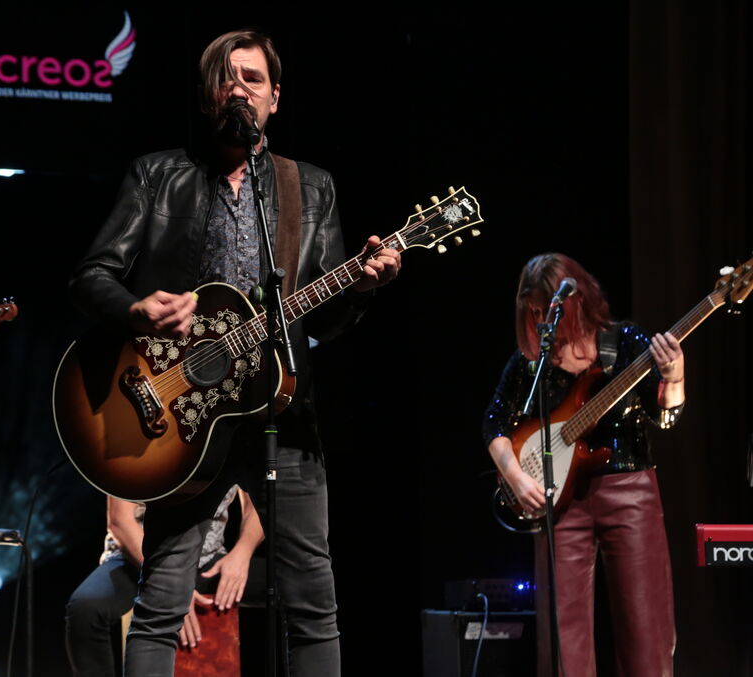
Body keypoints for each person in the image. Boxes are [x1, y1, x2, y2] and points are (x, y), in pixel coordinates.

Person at [69, 29, 401, 676]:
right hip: (184, 413)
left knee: (314, 607)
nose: (239, 89)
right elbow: (90, 276)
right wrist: (136, 310)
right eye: (227, 77)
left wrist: (361, 289)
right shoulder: (158, 175)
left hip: (282, 412)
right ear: (206, 96)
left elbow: (323, 320)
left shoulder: (310, 187)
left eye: (253, 78)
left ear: (275, 97)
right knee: (160, 603)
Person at [483, 253, 684, 677]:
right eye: (533, 312)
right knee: (562, 637)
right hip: (560, 502)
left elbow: (664, 416)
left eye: (548, 309)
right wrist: (515, 477)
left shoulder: (624, 341)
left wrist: (674, 376)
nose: (542, 321)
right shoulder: (532, 363)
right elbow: (494, 423)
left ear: (575, 300)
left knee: (645, 626)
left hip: (629, 492)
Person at [65, 486, 263, 676]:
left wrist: (242, 552)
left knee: (281, 583)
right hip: (140, 558)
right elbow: (120, 520)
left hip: (207, 558)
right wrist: (173, 586)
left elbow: (260, 502)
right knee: (86, 608)